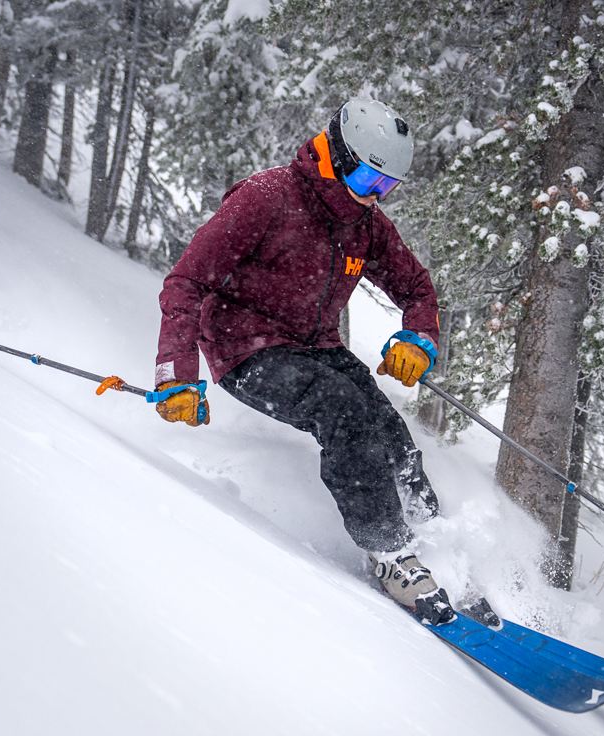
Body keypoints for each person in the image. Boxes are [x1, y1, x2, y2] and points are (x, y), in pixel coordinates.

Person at [153, 98, 456, 624]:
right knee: (345, 413)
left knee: (391, 432)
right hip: (245, 348)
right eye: (367, 179)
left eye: (386, 188)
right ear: (338, 155)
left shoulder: (366, 226)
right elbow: (185, 282)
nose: (373, 196)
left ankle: (434, 539)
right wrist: (177, 374)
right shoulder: (267, 198)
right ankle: (390, 554)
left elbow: (415, 286)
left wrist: (418, 337)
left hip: (317, 345)